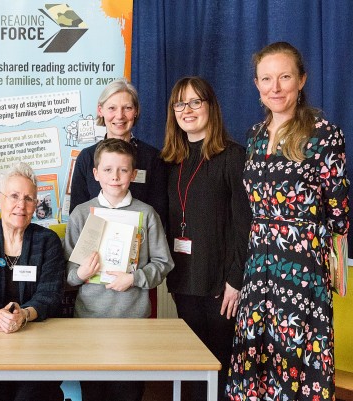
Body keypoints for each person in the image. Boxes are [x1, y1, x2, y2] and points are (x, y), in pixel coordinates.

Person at [227, 42, 349, 401]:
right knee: (256, 353)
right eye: (267, 79)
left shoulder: (324, 134)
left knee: (296, 353)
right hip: (258, 262)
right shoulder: (254, 136)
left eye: (284, 77)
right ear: (256, 84)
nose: (275, 87)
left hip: (301, 267)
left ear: (301, 80)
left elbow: (339, 210)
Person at [160, 76, 251, 400]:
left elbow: (245, 225)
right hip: (184, 281)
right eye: (180, 103)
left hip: (220, 287)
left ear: (211, 107)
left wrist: (235, 281)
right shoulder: (169, 161)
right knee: (191, 368)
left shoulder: (233, 157)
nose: (187, 110)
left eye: (196, 102)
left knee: (217, 368)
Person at [64, 138, 174, 401]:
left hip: (132, 322)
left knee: (129, 392)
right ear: (95, 173)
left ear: (134, 174)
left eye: (123, 170)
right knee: (93, 393)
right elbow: (67, 273)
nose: (115, 177)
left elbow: (163, 263)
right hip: (89, 321)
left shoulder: (147, 214)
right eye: (108, 170)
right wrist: (80, 274)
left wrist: (134, 278)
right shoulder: (81, 214)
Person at [0, 162, 66, 401]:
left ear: (36, 204)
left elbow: (50, 294)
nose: (21, 205)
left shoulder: (48, 241)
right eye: (14, 196)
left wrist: (24, 315)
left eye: (29, 198)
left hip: (37, 345)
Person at [69, 78, 168, 227]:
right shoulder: (87, 158)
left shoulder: (153, 158)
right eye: (112, 108)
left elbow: (159, 214)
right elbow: (77, 215)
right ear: (100, 110)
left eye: (127, 108)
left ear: (136, 111)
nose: (120, 116)